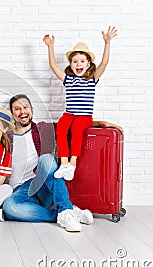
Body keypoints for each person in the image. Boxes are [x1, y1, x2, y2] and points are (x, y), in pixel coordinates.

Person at [3, 94, 122, 232]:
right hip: (21, 191)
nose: (22, 111)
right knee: (9, 208)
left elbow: (69, 127)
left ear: (32, 110)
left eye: (25, 107)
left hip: (43, 185)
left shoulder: (43, 129)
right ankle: (67, 213)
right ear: (12, 114)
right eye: (17, 109)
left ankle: (65, 209)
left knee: (46, 159)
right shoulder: (6, 137)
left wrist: (100, 124)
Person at [43, 26, 118, 180]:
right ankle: (64, 162)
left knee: (77, 128)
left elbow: (104, 64)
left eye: (82, 61)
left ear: (88, 63)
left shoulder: (92, 79)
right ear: (71, 64)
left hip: (84, 116)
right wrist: (50, 46)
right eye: (75, 61)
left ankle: (72, 163)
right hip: (69, 114)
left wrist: (107, 43)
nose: (78, 64)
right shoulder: (68, 80)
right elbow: (53, 66)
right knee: (62, 126)